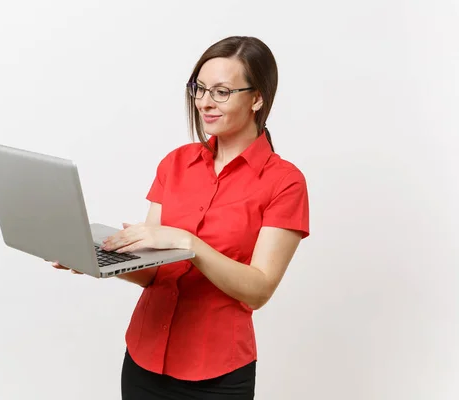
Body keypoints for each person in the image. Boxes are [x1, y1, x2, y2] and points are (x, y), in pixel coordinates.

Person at [52, 35, 310, 400]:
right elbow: (154, 271)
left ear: (257, 98)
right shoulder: (176, 163)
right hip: (144, 358)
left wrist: (188, 243)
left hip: (217, 374)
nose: (205, 102)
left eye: (222, 91)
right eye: (200, 88)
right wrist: (96, 260)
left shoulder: (285, 182)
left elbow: (258, 290)